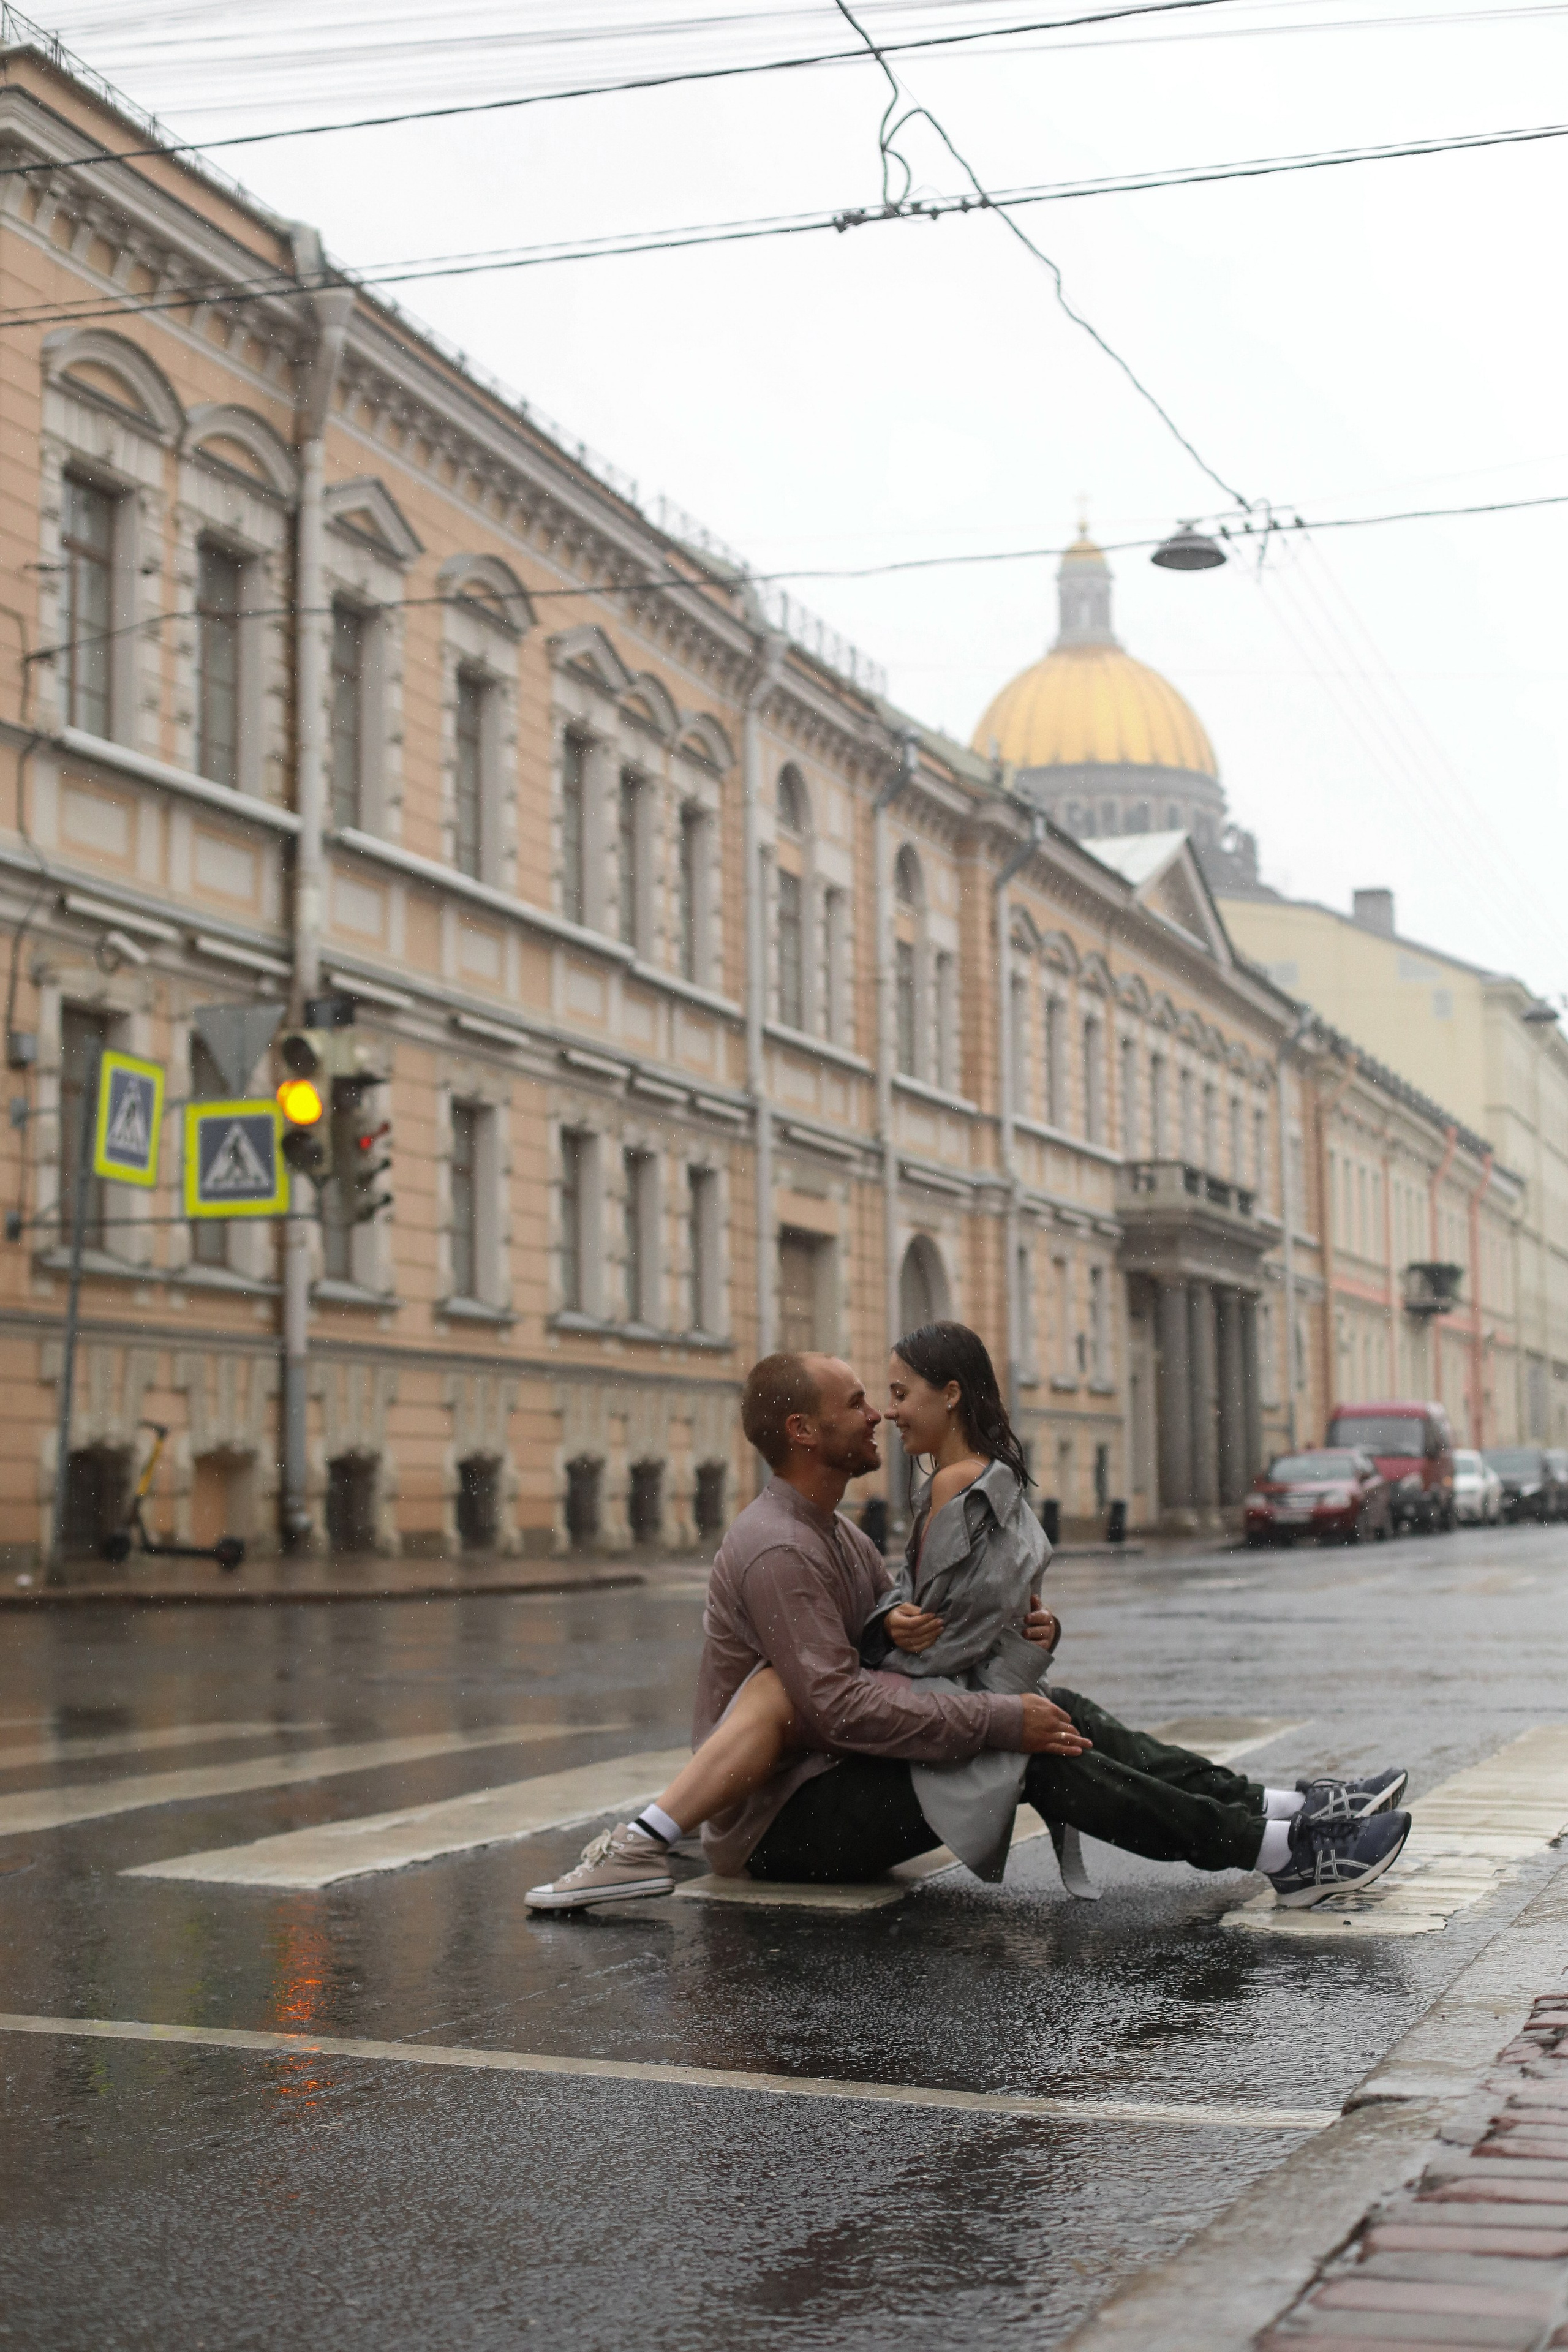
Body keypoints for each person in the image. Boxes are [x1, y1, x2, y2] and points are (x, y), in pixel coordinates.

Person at [525, 1333, 1409, 1913]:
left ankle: (1282, 1810)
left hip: (842, 1780)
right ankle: (1278, 1854)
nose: (878, 1413)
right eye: (856, 1403)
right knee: (1027, 1747)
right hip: (785, 1829)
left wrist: (1016, 1647)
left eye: (883, 1397)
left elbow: (901, 1652)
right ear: (803, 1431)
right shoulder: (777, 1550)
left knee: (1067, 1715)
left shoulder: (834, 1532)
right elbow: (837, 1708)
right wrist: (997, 1717)